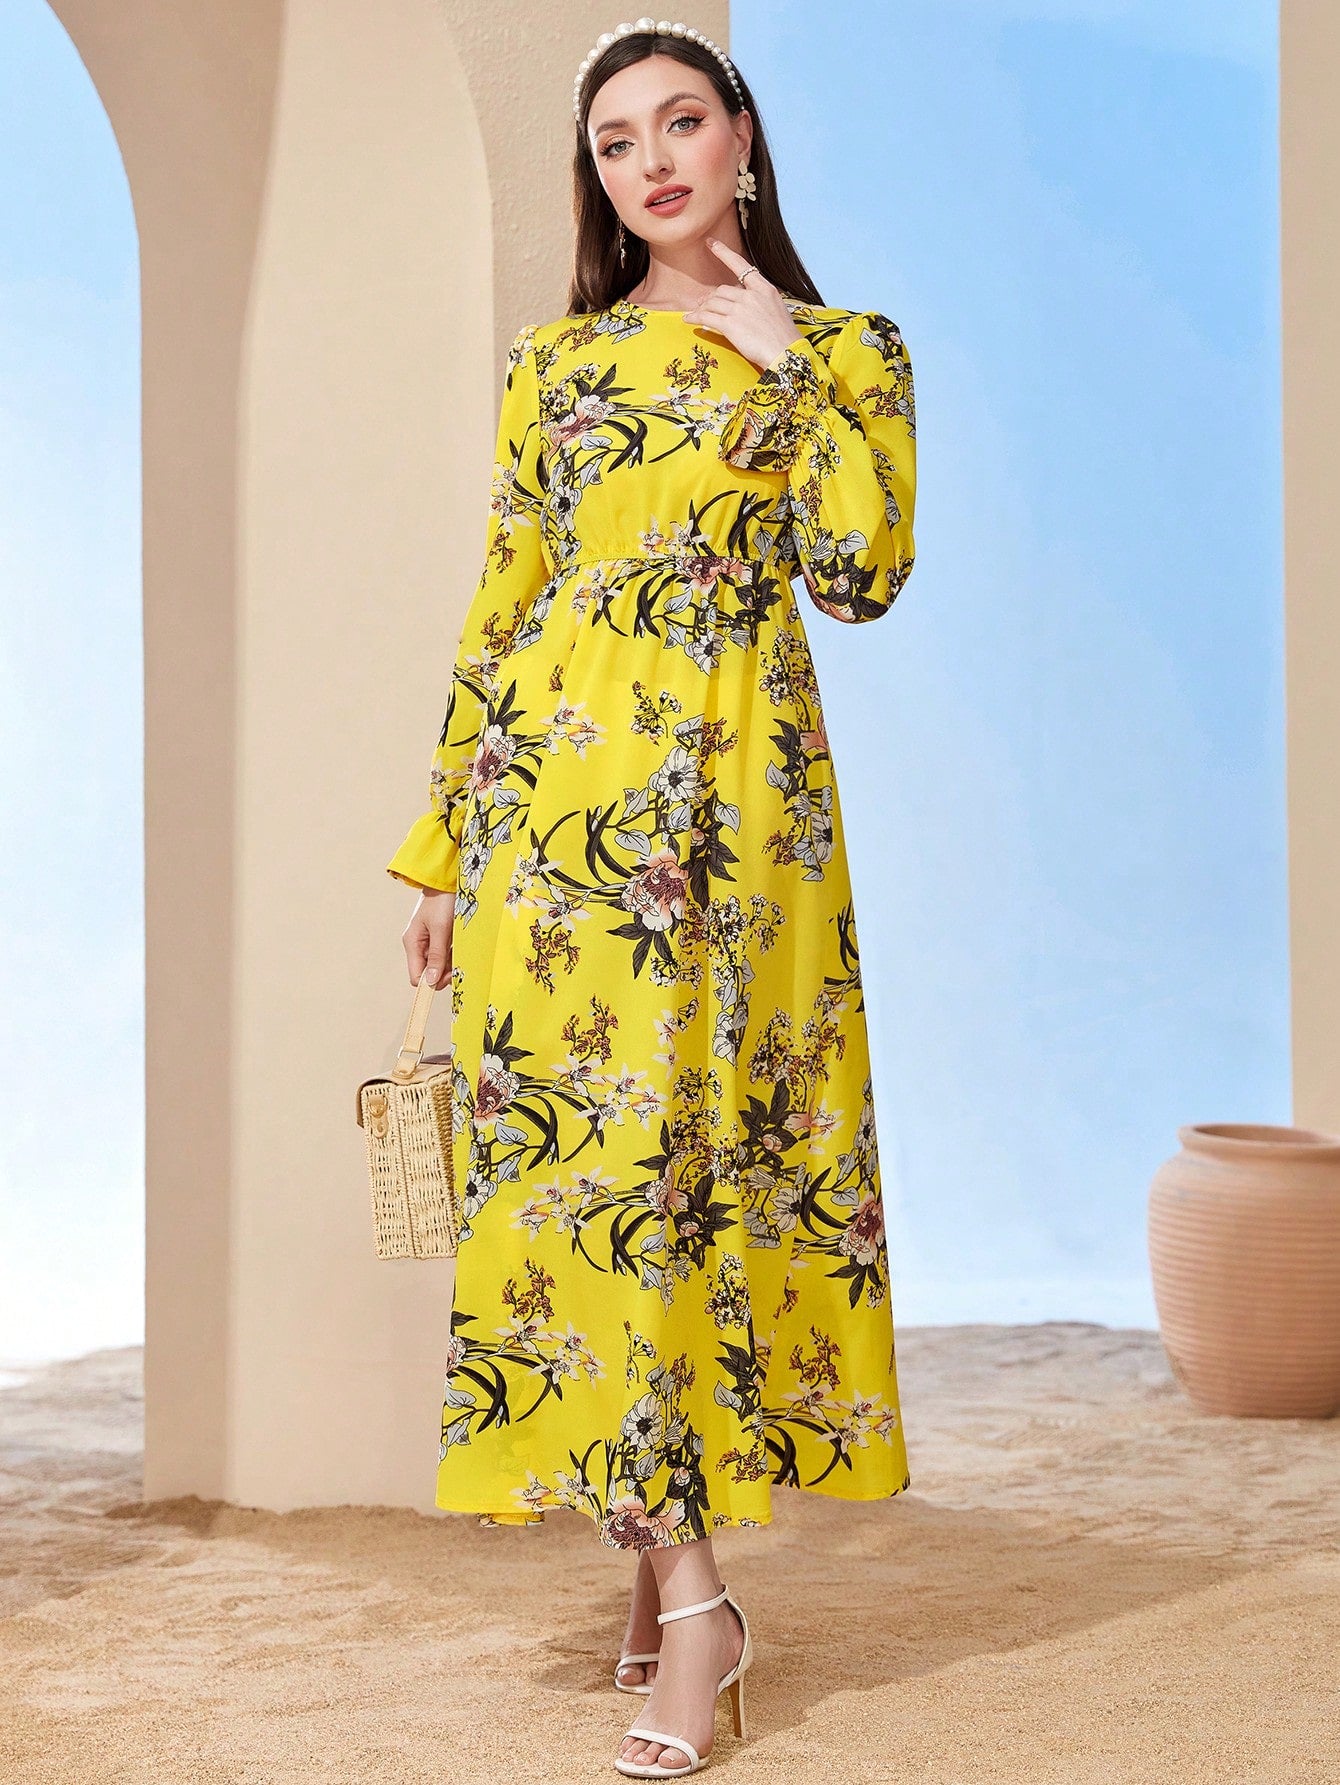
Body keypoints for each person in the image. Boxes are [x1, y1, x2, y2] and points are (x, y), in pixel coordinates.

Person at [385, 17, 917, 1778]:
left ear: (741, 137)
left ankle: (671, 1574)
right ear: (597, 179)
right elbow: (506, 599)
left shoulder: (849, 351)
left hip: (742, 819)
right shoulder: (555, 365)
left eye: (681, 122)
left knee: (698, 1180)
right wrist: (442, 848)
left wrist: (788, 359)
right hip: (556, 824)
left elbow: (862, 573)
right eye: (618, 143)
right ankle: (693, 1602)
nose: (653, 162)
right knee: (592, 1187)